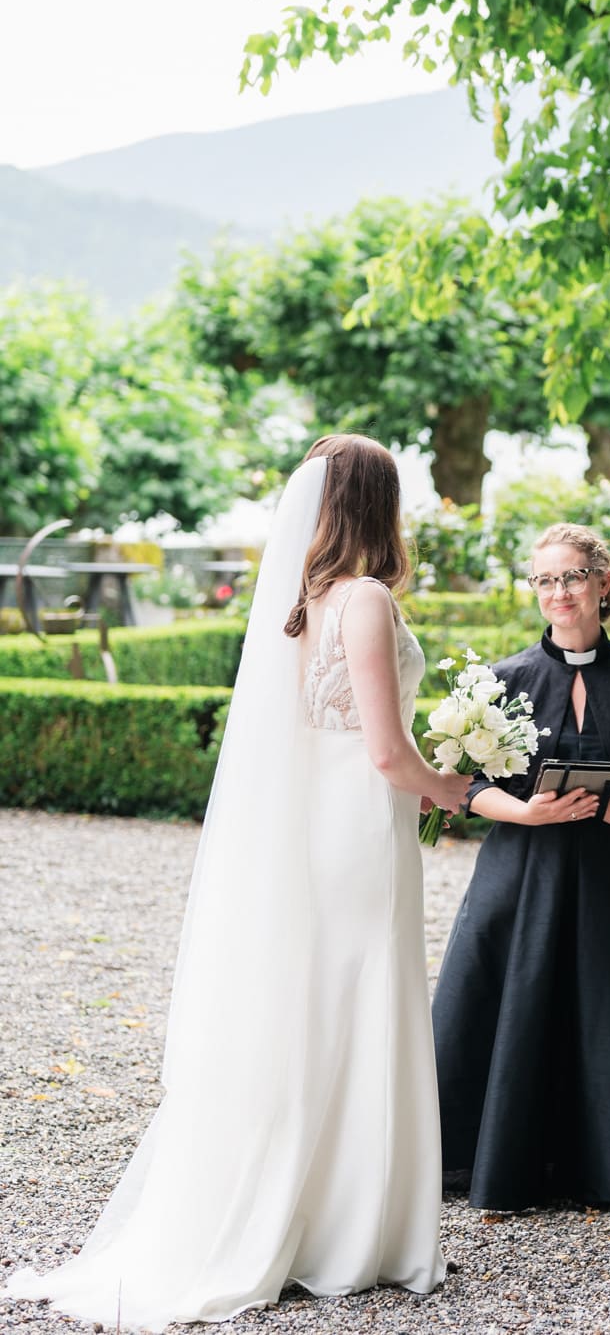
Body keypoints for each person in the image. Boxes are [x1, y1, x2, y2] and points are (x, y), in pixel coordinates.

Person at [5, 435, 468, 1330]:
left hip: (324, 830)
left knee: (317, 1009)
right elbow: (383, 750)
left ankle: (316, 1211)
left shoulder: (307, 602)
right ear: (381, 504)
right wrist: (457, 786)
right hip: (362, 835)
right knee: (363, 1005)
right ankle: (350, 1232)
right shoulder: (368, 598)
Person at [432, 522, 610, 1211]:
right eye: (545, 580)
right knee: (501, 1008)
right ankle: (496, 1163)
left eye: (572, 577)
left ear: (603, 584)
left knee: (602, 1012)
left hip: (609, 879)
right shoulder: (499, 681)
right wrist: (525, 813)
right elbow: (460, 783)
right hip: (519, 875)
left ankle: (605, 1166)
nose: (559, 592)